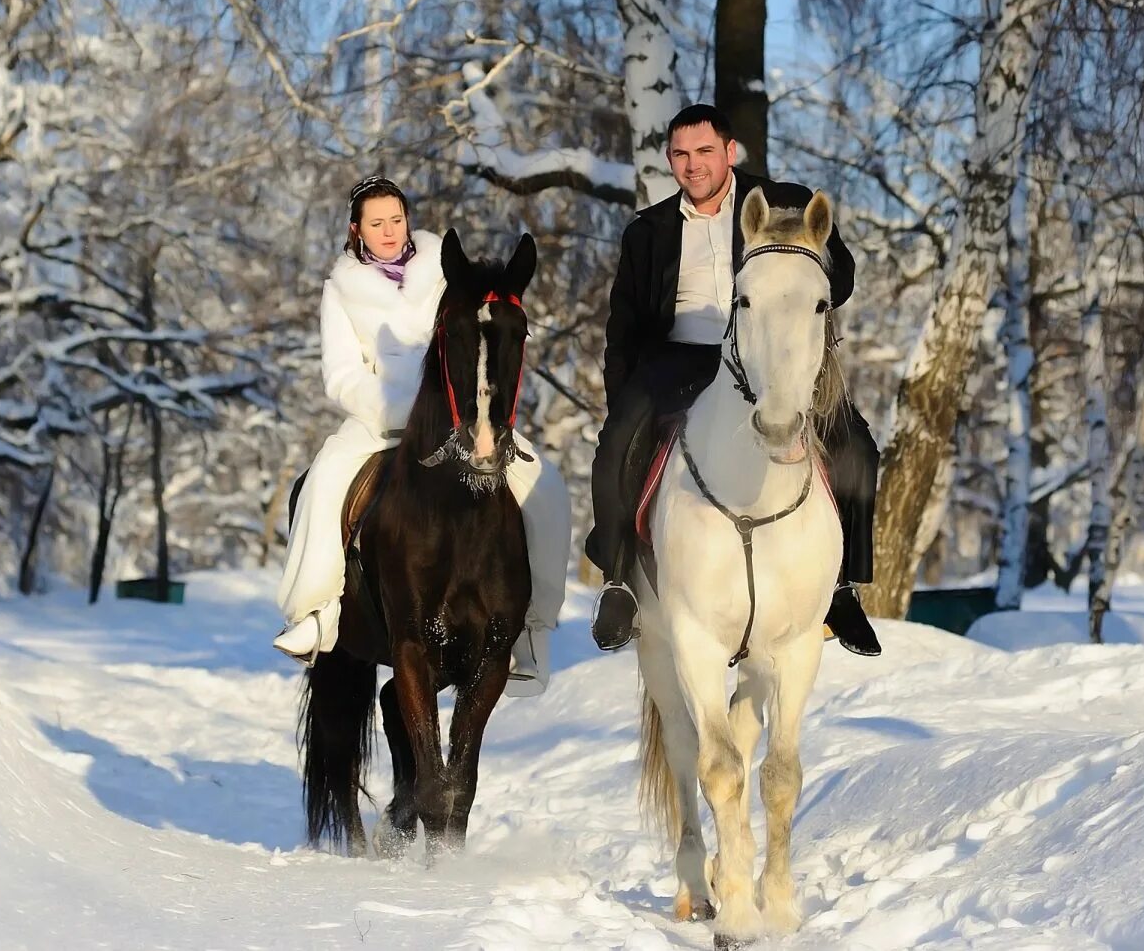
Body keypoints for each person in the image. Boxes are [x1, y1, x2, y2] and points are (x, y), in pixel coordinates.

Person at [585, 105, 882, 656]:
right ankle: (619, 579)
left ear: (730, 152)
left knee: (858, 447)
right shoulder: (646, 232)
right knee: (614, 449)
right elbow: (622, 327)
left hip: (771, 354)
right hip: (680, 359)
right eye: (680, 154)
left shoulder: (780, 203)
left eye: (704, 152)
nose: (693, 165)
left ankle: (842, 588)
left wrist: (808, 245)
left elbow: (838, 281)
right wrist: (621, 400)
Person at [273, 176, 569, 695]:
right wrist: (398, 408)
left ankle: (531, 630)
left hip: (458, 416)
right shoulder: (340, 291)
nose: (388, 231)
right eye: (375, 223)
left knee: (548, 492)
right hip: (379, 421)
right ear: (356, 229)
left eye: (396, 219)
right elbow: (340, 375)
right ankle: (315, 612)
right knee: (322, 484)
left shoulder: (443, 272)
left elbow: (477, 335)